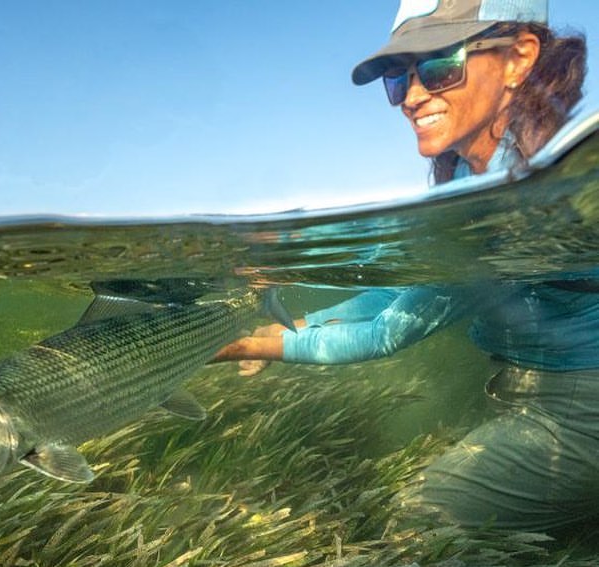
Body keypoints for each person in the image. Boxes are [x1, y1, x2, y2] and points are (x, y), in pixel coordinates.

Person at [215, 0, 593, 533]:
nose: (412, 98)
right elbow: (394, 293)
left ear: (518, 59)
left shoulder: (537, 178)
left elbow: (387, 334)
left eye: (440, 66)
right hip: (534, 387)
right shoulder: (466, 171)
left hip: (583, 409)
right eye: (399, 79)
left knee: (417, 520)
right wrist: (295, 327)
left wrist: (249, 346)